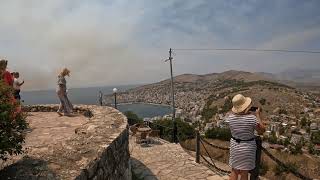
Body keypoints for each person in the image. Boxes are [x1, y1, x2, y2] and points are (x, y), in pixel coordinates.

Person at [226, 94, 265, 180]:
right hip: (247, 147)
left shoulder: (230, 118)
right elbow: (262, 130)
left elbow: (235, 115)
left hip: (235, 146)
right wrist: (257, 115)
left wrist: (241, 111)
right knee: (244, 172)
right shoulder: (252, 118)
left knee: (234, 170)